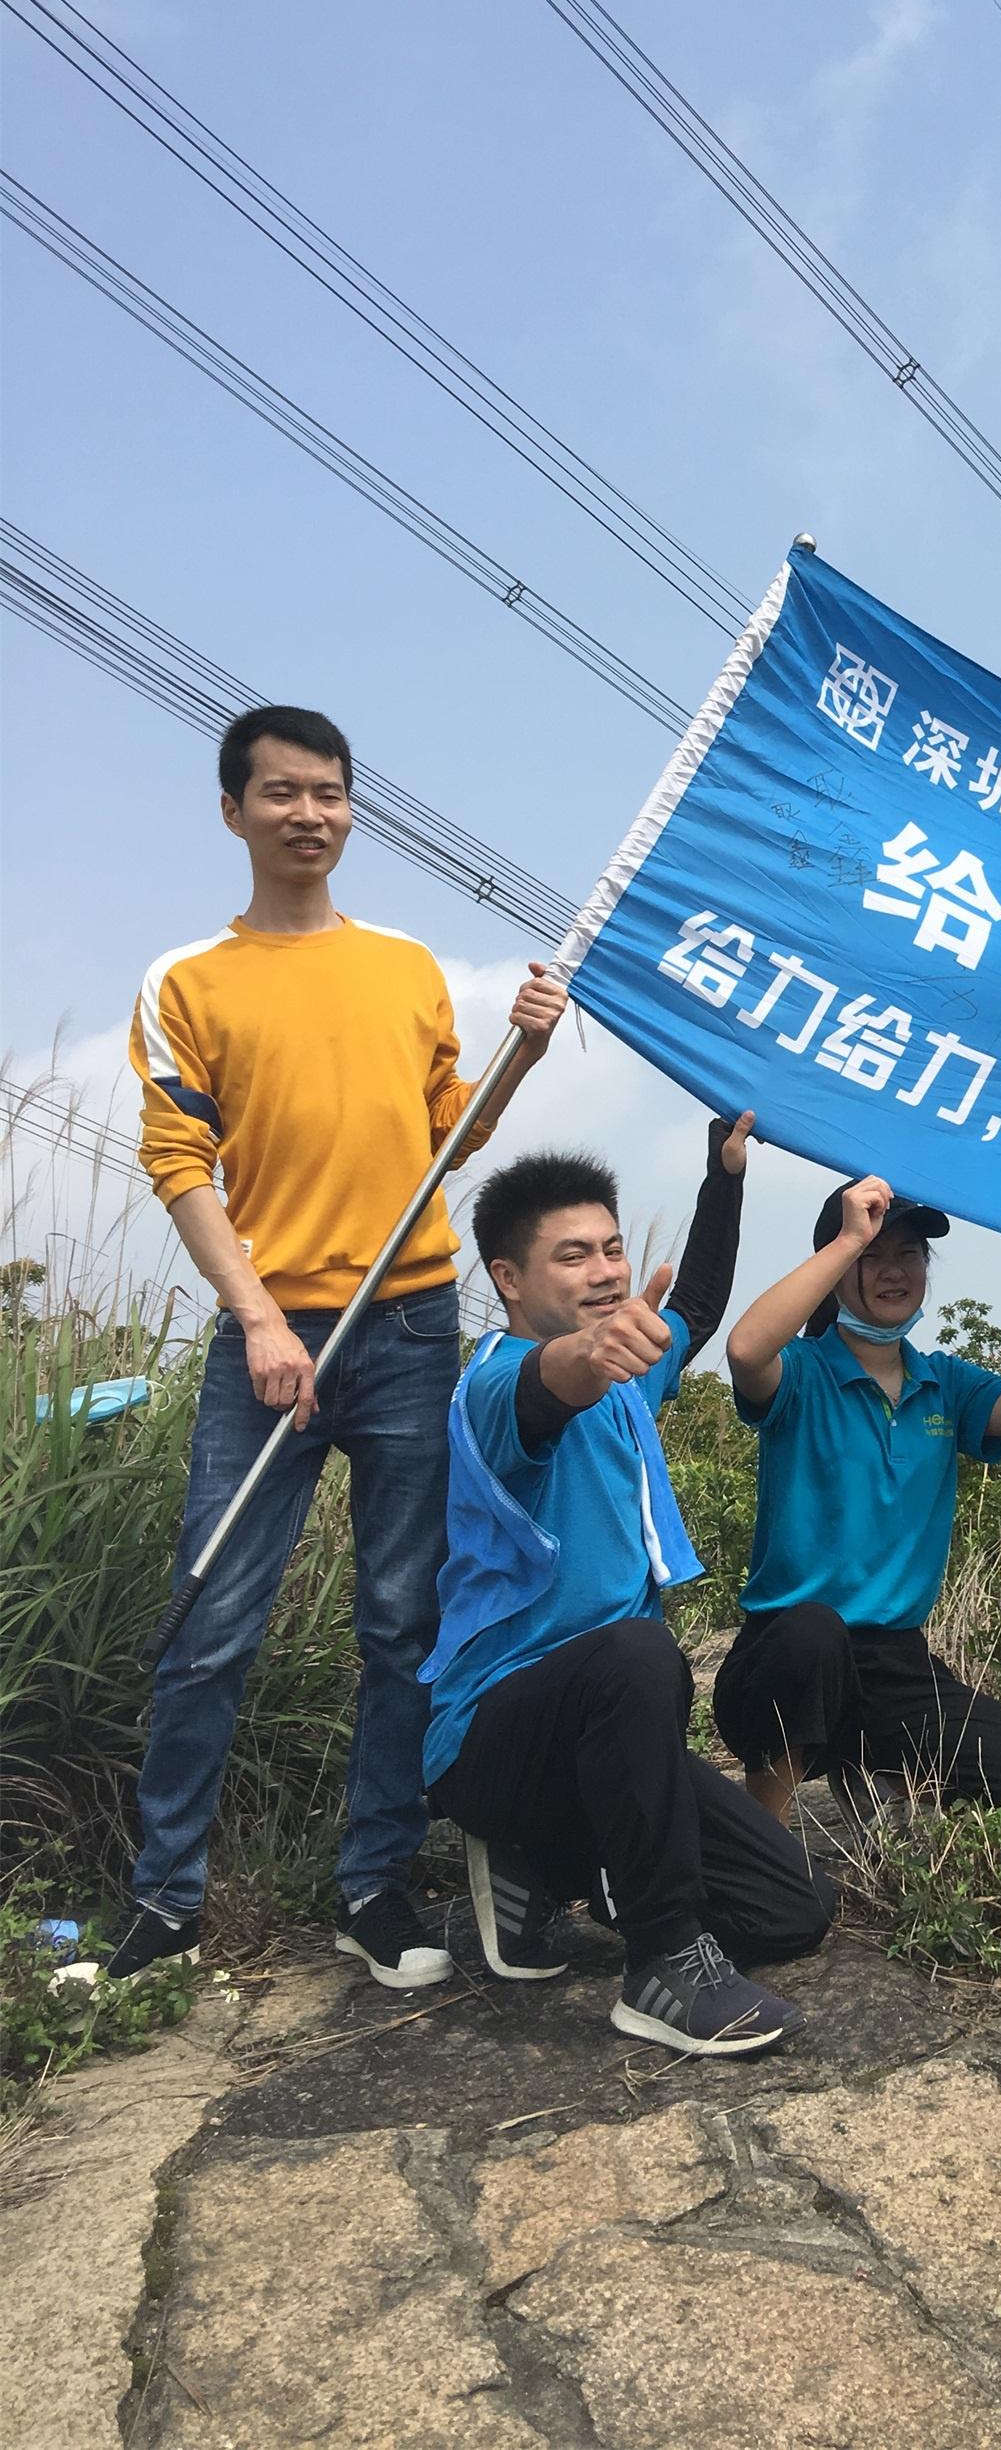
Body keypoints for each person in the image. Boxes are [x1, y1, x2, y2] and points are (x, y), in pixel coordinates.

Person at [108, 707, 563, 1987]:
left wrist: (520, 1055)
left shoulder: (409, 966)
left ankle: (374, 1881)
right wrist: (257, 1317)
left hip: (412, 1322)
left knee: (399, 1621)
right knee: (211, 1618)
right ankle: (166, 1900)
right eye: (282, 793)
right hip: (268, 1336)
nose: (309, 813)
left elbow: (447, 1140)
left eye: (330, 793)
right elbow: (178, 1160)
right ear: (233, 811)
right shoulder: (186, 978)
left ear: (353, 809)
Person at [424, 1124, 834, 2058]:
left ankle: (551, 1862)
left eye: (612, 1248)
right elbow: (548, 1385)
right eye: (573, 1256)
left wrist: (721, 1176)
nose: (606, 1271)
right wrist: (587, 1356)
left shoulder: (630, 1381)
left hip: (609, 1733)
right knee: (640, 1650)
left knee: (794, 1909)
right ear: (509, 1279)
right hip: (495, 1737)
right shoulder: (494, 1387)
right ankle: (658, 1965)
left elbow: (696, 1296)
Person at [716, 1176, 1001, 1825]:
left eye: (907, 1254)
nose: (892, 1271)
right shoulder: (799, 1372)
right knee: (814, 1634)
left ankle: (872, 1765)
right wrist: (848, 1235)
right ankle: (758, 1833)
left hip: (894, 1662)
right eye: (871, 1256)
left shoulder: (946, 1384)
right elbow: (744, 1349)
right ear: (836, 1265)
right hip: (783, 1654)